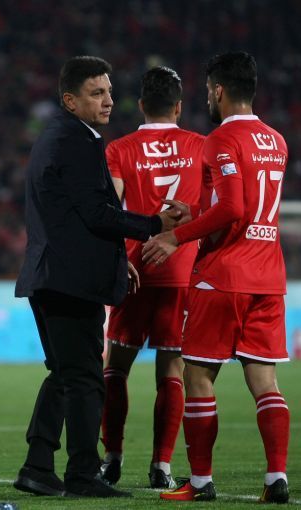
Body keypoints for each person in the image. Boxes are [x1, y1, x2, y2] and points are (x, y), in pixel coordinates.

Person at [13, 55, 189, 499]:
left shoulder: (57, 137)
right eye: (96, 93)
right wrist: (155, 224)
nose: (109, 100)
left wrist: (115, 258)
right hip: (71, 281)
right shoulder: (76, 142)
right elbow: (97, 214)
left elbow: (73, 216)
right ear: (70, 100)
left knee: (64, 373)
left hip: (51, 274)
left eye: (109, 91)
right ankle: (82, 474)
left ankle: (37, 466)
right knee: (87, 378)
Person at [143, 51, 291, 504]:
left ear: (219, 90)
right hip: (268, 277)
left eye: (208, 90)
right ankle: (276, 478)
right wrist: (196, 212)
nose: (207, 97)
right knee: (265, 382)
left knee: (198, 376)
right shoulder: (276, 140)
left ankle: (201, 482)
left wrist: (176, 236)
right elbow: (244, 207)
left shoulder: (220, 140)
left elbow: (233, 208)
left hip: (223, 276)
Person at [98, 66, 205, 490]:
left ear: (141, 105)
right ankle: (162, 465)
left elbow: (109, 212)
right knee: (172, 370)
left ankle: (112, 458)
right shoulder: (201, 146)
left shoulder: (119, 149)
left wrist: (115, 258)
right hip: (181, 272)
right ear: (178, 107)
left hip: (134, 270)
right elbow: (215, 208)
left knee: (115, 368)